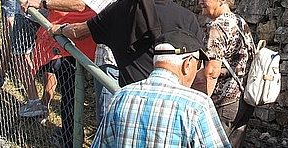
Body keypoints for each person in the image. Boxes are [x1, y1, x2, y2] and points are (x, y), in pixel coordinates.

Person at [24, 0, 141, 129]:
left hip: (104, 51)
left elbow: (81, 3)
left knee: (106, 116)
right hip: (122, 49)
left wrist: (44, 3)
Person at [49, 0, 202, 86]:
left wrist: (59, 29)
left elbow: (78, 32)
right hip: (173, 101)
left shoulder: (121, 9)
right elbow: (198, 64)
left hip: (130, 96)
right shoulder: (187, 18)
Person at [19, 0, 101, 147]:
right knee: (75, 90)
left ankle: (69, 138)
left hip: (61, 33)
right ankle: (72, 135)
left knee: (66, 91)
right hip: (87, 34)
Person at [91, 29, 230, 148]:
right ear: (187, 64)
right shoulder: (197, 105)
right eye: (198, 65)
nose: (198, 70)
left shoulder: (121, 97)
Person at [197, 0, 256, 147]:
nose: (200, 1)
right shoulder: (239, 21)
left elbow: (211, 70)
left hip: (223, 101)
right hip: (242, 99)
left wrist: (201, 104)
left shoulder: (217, 25)